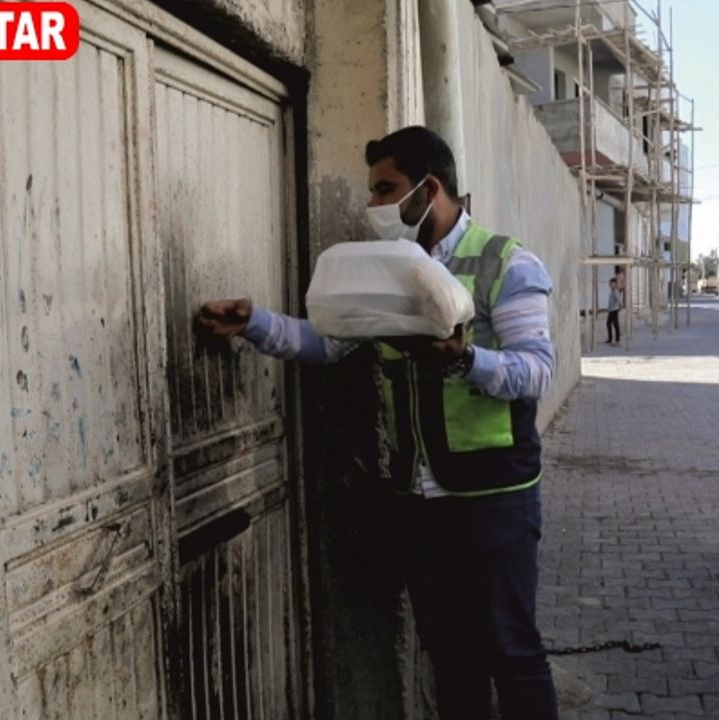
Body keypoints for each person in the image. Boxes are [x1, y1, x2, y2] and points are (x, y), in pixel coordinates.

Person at [196, 126, 559, 720]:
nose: (372, 207)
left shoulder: (505, 262)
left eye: (384, 189)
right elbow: (328, 343)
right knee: (449, 655)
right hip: (420, 498)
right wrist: (255, 322)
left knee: (511, 651)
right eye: (372, 191)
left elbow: (537, 371)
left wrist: (464, 359)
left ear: (429, 188)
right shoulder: (388, 268)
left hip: (494, 497)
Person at [606, 277, 623, 346]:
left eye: (612, 284)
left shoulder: (615, 291)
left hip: (614, 309)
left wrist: (620, 306)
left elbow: (619, 299)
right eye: (610, 284)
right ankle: (610, 339)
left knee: (615, 325)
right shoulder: (612, 291)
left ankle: (617, 341)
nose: (610, 285)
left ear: (615, 284)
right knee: (609, 324)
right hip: (611, 310)